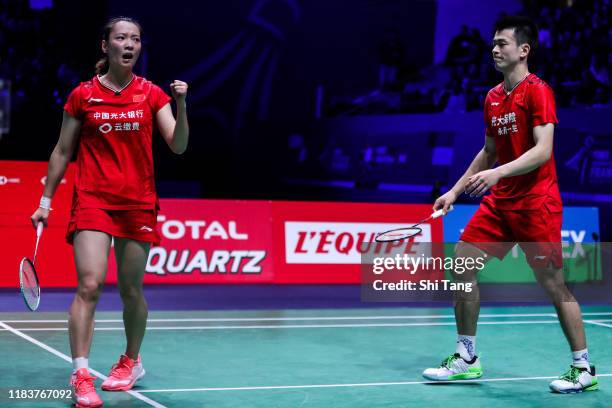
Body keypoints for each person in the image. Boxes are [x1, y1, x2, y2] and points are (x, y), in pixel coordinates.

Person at [422, 16, 598, 393]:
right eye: (493, 44)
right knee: (462, 264)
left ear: (524, 50)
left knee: (555, 286)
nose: (495, 49)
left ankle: (583, 368)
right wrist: (454, 191)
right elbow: (487, 152)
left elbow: (543, 150)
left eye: (502, 43)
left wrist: (499, 174)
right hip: (501, 206)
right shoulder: (491, 97)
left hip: (537, 204)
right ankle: (467, 357)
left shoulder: (538, 91)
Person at [30, 16, 189, 407]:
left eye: (135, 39)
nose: (129, 44)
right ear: (106, 46)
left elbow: (178, 145)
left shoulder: (152, 95)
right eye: (121, 38)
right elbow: (62, 151)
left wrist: (181, 105)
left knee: (131, 290)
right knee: (89, 285)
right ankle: (81, 373)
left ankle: (131, 362)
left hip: (137, 202)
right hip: (93, 200)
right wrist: (45, 202)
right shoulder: (82, 95)